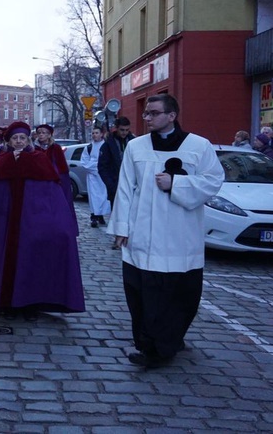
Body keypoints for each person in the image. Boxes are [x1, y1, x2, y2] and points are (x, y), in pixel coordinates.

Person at [107, 93, 224, 369]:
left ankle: (171, 338)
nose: (147, 118)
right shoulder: (136, 147)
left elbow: (213, 180)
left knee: (180, 294)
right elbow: (124, 189)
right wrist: (121, 227)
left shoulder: (198, 146)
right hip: (142, 233)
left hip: (180, 235)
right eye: (146, 113)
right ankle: (151, 347)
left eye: (154, 113)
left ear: (172, 116)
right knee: (142, 293)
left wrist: (176, 184)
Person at [0, 121, 84, 320]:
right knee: (2, 258)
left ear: (29, 140)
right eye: (15, 138)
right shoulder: (0, 160)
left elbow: (50, 194)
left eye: (22, 138)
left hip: (31, 222)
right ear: (9, 141)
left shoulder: (39, 159)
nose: (19, 142)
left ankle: (30, 301)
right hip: (4, 222)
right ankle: (2, 301)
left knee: (30, 261)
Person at [99, 117, 135, 248]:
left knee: (133, 210)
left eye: (126, 130)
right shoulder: (108, 144)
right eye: (122, 130)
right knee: (117, 210)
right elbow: (102, 166)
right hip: (116, 182)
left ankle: (130, 236)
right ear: (116, 128)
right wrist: (110, 184)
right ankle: (118, 237)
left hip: (133, 182)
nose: (124, 132)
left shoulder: (133, 141)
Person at [81, 125, 111, 227]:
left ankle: (101, 215)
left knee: (103, 196)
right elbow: (85, 162)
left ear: (101, 134)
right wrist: (95, 166)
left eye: (96, 133)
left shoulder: (106, 146)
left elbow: (107, 162)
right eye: (93, 133)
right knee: (94, 196)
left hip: (103, 176)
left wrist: (99, 167)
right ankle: (94, 216)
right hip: (92, 177)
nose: (94, 135)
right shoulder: (89, 147)